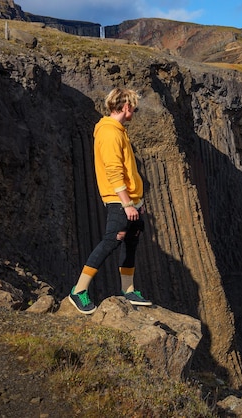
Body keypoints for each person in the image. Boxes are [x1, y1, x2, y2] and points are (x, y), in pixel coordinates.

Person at [68, 87, 152, 314]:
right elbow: (114, 171)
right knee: (112, 240)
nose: (134, 111)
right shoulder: (109, 132)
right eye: (134, 107)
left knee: (130, 242)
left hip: (131, 199)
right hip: (118, 200)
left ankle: (129, 290)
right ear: (126, 107)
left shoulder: (119, 131)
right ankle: (79, 290)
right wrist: (126, 203)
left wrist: (137, 201)